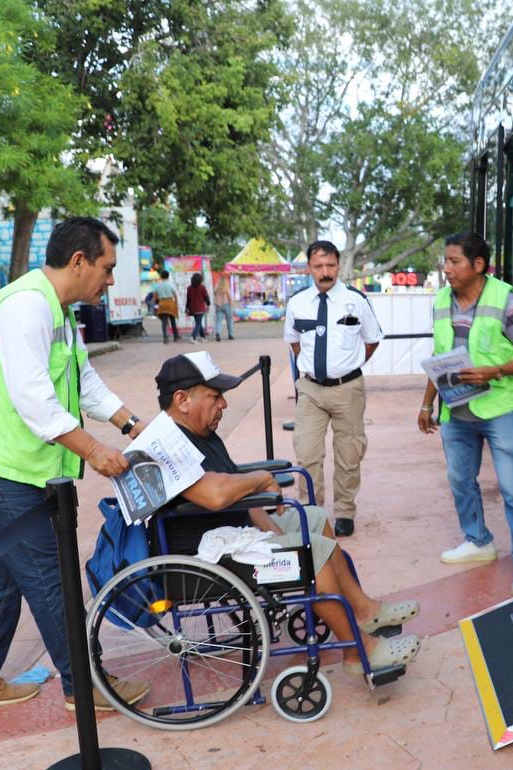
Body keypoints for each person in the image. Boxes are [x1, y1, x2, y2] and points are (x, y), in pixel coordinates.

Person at [0, 216, 151, 713]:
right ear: (78, 262)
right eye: (107, 268)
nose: (110, 281)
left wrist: (133, 425)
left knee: (4, 574)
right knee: (50, 576)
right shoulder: (27, 308)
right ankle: (85, 686)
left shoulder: (58, 311)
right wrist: (94, 451)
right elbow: (35, 401)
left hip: (7, 466)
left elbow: (83, 382)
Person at [154, 351, 422, 673]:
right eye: (215, 396)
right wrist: (262, 480)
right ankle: (357, 652)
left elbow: (232, 484)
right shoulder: (167, 445)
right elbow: (215, 494)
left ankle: (363, 611)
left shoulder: (197, 434)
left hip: (232, 533)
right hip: (208, 559)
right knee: (314, 552)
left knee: (315, 519)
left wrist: (267, 522)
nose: (223, 404)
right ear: (182, 399)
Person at [418, 232, 513, 595]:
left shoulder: (506, 301)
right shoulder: (442, 299)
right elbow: (439, 353)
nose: (446, 269)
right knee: (460, 480)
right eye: (445, 261)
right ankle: (478, 541)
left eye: (454, 261)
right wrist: (428, 403)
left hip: (498, 409)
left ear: (478, 265)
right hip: (455, 410)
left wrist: (495, 371)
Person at [283, 240, 383, 537]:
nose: (325, 272)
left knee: (348, 453)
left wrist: (348, 367)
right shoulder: (297, 303)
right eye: (318, 266)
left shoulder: (356, 300)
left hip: (348, 389)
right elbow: (294, 342)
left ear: (338, 265)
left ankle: (345, 512)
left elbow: (372, 339)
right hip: (311, 390)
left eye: (330, 265)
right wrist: (316, 368)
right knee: (307, 451)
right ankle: (313, 512)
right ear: (309, 268)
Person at [154, 268, 180, 344]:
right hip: (170, 303)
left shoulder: (157, 285)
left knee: (164, 322)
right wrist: (176, 304)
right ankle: (175, 337)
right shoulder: (171, 284)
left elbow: (155, 296)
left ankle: (165, 338)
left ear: (161, 276)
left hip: (162, 304)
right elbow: (175, 295)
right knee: (173, 321)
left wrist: (159, 300)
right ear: (168, 276)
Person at [186, 271, 210, 342]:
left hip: (192, 308)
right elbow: (206, 297)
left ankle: (203, 337)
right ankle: (193, 337)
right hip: (200, 308)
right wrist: (208, 304)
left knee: (198, 323)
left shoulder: (189, 288)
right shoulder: (202, 287)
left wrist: (187, 308)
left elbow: (188, 299)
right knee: (198, 323)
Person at [213, 274, 235, 341]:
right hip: (226, 304)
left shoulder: (216, 288)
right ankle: (230, 335)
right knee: (229, 320)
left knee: (218, 321)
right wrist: (231, 303)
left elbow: (215, 295)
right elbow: (229, 296)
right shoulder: (226, 287)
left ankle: (218, 332)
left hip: (218, 305)